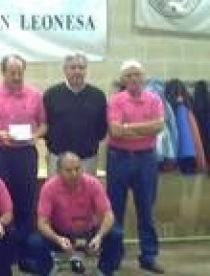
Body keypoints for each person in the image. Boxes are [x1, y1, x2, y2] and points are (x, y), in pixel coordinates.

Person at [0, 54, 47, 264]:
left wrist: (35, 136)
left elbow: (44, 124)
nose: (17, 77)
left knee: (25, 202)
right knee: (1, 203)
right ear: (3, 72)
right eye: (12, 72)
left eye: (20, 72)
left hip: (26, 154)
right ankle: (3, 252)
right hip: (2, 155)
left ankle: (23, 253)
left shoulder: (35, 95)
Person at [98, 60, 165, 275]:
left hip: (146, 159)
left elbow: (159, 126)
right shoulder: (116, 101)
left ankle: (148, 256)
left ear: (143, 77)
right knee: (114, 210)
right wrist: (144, 129)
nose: (134, 79)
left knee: (146, 209)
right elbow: (115, 132)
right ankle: (113, 256)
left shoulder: (154, 99)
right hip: (119, 159)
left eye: (137, 74)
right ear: (123, 79)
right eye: (129, 75)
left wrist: (129, 128)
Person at [27, 152, 114, 275]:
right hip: (60, 234)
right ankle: (48, 269)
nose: (74, 174)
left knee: (115, 234)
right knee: (35, 242)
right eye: (68, 170)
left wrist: (99, 236)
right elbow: (42, 223)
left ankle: (104, 271)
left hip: (88, 233)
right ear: (58, 171)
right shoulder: (49, 188)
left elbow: (108, 215)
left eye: (77, 169)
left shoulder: (93, 184)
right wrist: (57, 239)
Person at [44, 53, 107, 176]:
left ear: (86, 70)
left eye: (81, 68)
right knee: (56, 193)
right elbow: (45, 125)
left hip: (87, 158)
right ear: (65, 70)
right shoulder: (51, 94)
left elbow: (102, 129)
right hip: (57, 158)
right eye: (72, 68)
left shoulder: (98, 96)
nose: (77, 71)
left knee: (85, 193)